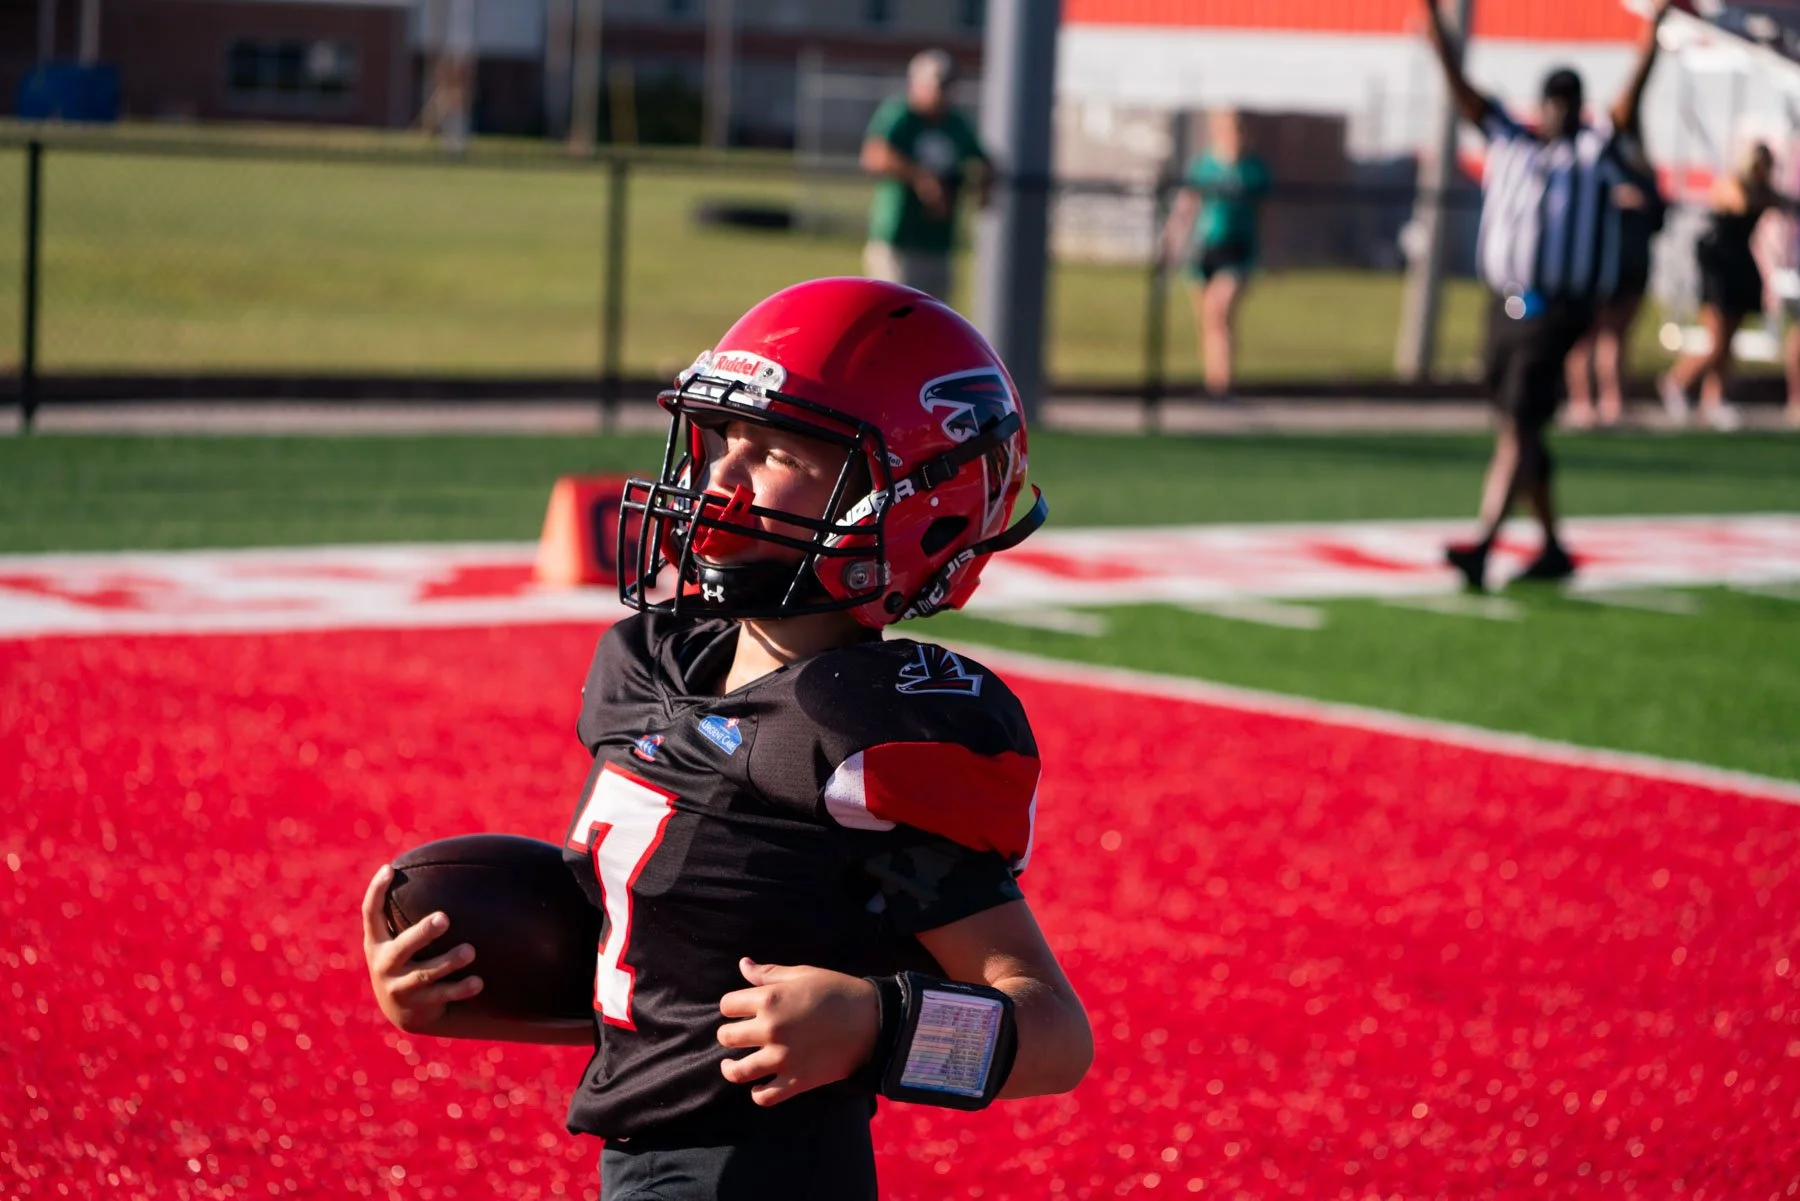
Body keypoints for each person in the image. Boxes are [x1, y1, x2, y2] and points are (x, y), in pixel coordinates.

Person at [361, 277, 1092, 1201]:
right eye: (723, 441)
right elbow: (667, 995)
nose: (720, 480)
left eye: (776, 451)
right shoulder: (649, 666)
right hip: (636, 1168)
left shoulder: (868, 729)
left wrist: (876, 1028)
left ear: (903, 501)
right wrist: (458, 991)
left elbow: (1057, 1037)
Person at [1422, 0, 1670, 591]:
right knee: (1520, 425)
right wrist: (1432, 19)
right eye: (1552, 100)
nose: (1557, 111)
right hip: (1504, 306)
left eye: (1567, 102)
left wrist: (1654, 31)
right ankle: (1554, 546)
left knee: (1518, 425)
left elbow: (1630, 99)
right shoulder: (1509, 137)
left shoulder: (1592, 151)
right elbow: (1460, 85)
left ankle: (1483, 543)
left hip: (1556, 309)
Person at [1660, 142, 1783, 431]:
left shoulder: (1763, 190)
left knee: (1727, 341)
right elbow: (1741, 202)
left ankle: (1715, 398)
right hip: (1718, 266)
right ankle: (1678, 382)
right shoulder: (1733, 183)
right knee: (1715, 339)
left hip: (1741, 264)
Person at [860, 50, 990, 302]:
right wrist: (919, 177)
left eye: (949, 84)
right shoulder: (901, 116)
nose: (944, 92)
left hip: (940, 242)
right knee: (897, 315)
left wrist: (985, 184)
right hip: (899, 240)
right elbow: (875, 154)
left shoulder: (955, 123)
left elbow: (981, 159)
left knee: (937, 320)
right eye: (938, 84)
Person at [1161, 109, 1271, 402]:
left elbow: (1264, 214)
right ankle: (1214, 382)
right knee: (1208, 320)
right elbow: (1187, 205)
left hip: (1237, 251)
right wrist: (1172, 239)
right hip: (1204, 251)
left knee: (1219, 310)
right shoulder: (1205, 166)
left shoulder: (1253, 169)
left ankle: (1222, 386)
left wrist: (1265, 253)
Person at [1564, 125, 1665, 429]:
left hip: (1631, 267)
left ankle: (1613, 402)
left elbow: (1657, 217)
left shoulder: (1644, 176)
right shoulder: (1596, 172)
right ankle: (1581, 402)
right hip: (1595, 269)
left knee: (1617, 337)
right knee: (1586, 338)